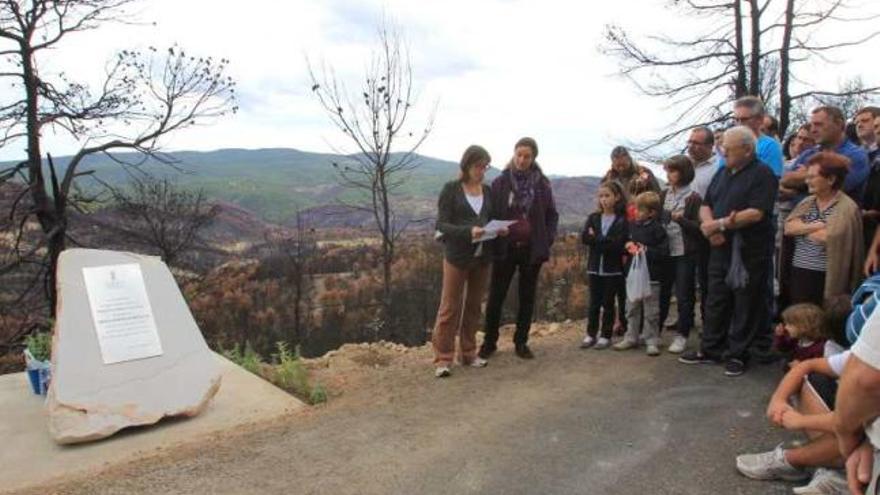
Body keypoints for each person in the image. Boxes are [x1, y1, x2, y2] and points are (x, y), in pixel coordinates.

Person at [678, 126, 777, 377]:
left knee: (745, 301)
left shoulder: (762, 174)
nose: (724, 152)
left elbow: (757, 212)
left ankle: (738, 353)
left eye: (728, 149)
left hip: (748, 250)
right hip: (719, 246)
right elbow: (706, 204)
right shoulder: (723, 173)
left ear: (747, 149)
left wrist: (722, 224)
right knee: (716, 297)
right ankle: (711, 348)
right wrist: (711, 226)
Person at [736, 297, 852, 493]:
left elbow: (855, 423)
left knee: (859, 431)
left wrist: (800, 421)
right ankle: (830, 464)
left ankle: (805, 462)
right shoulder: (863, 355)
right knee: (810, 378)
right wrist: (778, 399)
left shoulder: (829, 348)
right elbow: (808, 365)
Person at [480, 137, 559, 360]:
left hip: (531, 249)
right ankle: (489, 342)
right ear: (513, 154)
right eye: (519, 155)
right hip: (505, 248)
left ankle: (521, 342)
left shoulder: (542, 184)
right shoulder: (500, 182)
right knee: (496, 296)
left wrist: (548, 238)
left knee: (527, 297)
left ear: (533, 158)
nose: (522, 160)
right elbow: (491, 213)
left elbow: (552, 214)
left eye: (527, 156)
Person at [431, 145, 503, 378]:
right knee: (450, 307)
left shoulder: (488, 191)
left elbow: (490, 219)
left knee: (473, 306)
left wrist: (498, 229)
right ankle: (443, 358)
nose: (481, 171)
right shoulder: (451, 189)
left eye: (485, 166)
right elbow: (441, 225)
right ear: (467, 165)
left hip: (482, 256)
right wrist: (468, 231)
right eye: (478, 166)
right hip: (457, 256)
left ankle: (469, 353)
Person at [780, 152, 863, 307]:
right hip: (798, 273)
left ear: (831, 179)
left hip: (825, 277)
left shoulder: (847, 208)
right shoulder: (807, 202)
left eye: (812, 177)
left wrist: (803, 228)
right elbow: (789, 227)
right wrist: (818, 225)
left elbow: (831, 238)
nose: (807, 181)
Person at [604, 145, 660, 335]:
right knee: (622, 277)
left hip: (642, 227)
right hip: (620, 228)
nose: (620, 167)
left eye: (623, 164)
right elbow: (603, 197)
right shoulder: (609, 177)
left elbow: (656, 199)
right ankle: (623, 321)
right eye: (616, 165)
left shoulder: (645, 174)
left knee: (642, 276)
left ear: (629, 159)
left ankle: (645, 326)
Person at [613, 191, 668, 356]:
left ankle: (651, 339)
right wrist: (628, 246)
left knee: (651, 310)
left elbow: (663, 252)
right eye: (635, 209)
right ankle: (631, 337)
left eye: (640, 210)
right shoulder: (631, 227)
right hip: (633, 274)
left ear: (651, 212)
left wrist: (646, 250)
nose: (636, 212)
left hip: (652, 276)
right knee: (631, 307)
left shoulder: (658, 229)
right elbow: (623, 244)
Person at [658, 155, 702, 354]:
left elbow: (699, 229)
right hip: (665, 251)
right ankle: (655, 331)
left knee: (684, 294)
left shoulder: (693, 197)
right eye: (667, 170)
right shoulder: (664, 193)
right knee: (663, 292)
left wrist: (681, 220)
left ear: (683, 172)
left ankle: (682, 334)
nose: (669, 174)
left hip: (685, 252)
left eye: (673, 170)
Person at [782, 105, 870, 202]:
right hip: (799, 213)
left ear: (839, 124)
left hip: (835, 215)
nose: (813, 130)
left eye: (818, 124)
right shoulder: (809, 153)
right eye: (812, 125)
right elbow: (785, 180)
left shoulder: (856, 155)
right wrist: (821, 175)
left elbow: (832, 189)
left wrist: (802, 177)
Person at [581, 181, 628, 350]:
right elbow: (585, 238)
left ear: (617, 197)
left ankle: (606, 335)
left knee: (608, 303)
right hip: (594, 267)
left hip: (612, 269)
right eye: (601, 196)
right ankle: (590, 333)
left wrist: (598, 238)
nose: (604, 200)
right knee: (594, 302)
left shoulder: (622, 221)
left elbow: (617, 245)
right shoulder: (593, 218)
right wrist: (603, 240)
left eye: (607, 195)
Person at [687, 127, 718, 328]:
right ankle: (686, 319)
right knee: (686, 278)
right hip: (685, 229)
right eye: (690, 142)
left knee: (707, 279)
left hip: (708, 229)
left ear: (709, 145)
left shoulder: (717, 166)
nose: (692, 147)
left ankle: (709, 322)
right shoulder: (685, 166)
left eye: (697, 143)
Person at [718, 96, 784, 177]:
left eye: (744, 119)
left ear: (760, 119)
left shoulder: (770, 146)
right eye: (736, 120)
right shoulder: (728, 144)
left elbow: (772, 180)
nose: (739, 124)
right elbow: (720, 176)